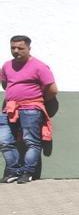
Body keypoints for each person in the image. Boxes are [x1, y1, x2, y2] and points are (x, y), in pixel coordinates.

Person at [1, 35, 57, 184]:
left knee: (31, 142)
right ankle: (13, 171)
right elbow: (5, 84)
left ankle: (27, 172)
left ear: (28, 48)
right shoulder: (7, 65)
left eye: (20, 48)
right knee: (5, 141)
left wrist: (36, 100)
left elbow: (52, 90)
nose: (16, 51)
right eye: (13, 48)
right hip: (10, 108)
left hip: (31, 108)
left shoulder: (39, 66)